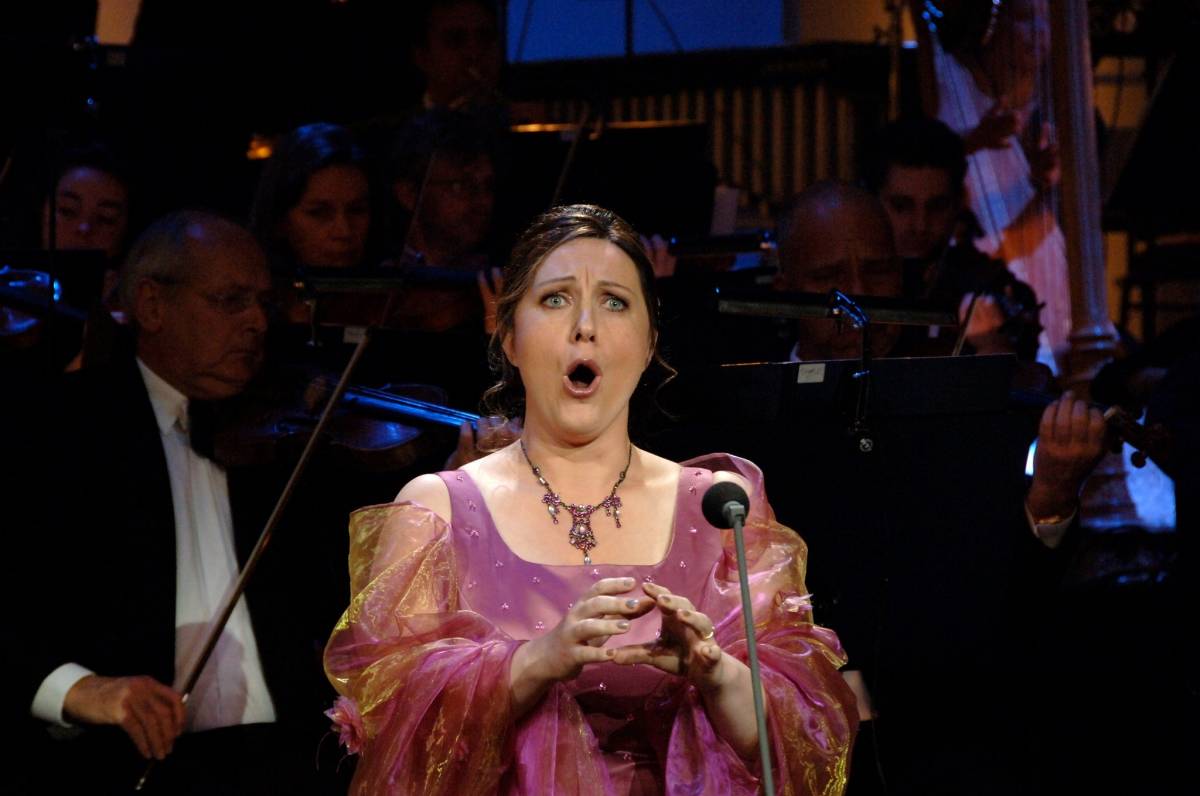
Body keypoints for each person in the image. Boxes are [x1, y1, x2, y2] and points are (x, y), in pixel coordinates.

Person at [323, 204, 859, 794]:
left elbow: (802, 741)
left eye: (614, 302)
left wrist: (716, 674)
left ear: (650, 342)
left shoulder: (724, 507)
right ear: (509, 336)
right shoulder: (437, 509)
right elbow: (394, 735)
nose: (585, 326)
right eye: (555, 299)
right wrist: (536, 660)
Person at [5, 211, 345, 794]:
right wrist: (80, 688)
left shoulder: (283, 438)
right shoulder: (55, 426)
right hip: (125, 762)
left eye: (263, 303)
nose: (257, 322)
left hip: (289, 758)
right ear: (152, 305)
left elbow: (349, 589)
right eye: (230, 301)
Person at [865, 116, 1042, 361]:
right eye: (901, 206)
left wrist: (993, 344)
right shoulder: (854, 281)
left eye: (937, 207)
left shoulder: (987, 282)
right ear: (872, 201)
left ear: (958, 204)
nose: (920, 225)